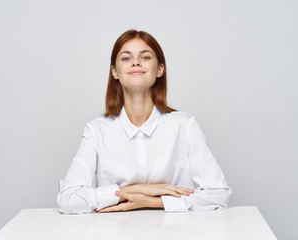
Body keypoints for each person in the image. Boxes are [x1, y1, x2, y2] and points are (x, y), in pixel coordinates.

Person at [57, 30, 232, 214]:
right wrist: (134, 190)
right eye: (126, 58)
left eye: (145, 57)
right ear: (114, 71)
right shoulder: (96, 130)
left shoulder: (184, 125)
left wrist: (151, 202)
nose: (135, 62)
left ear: (160, 70)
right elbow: (68, 199)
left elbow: (219, 194)